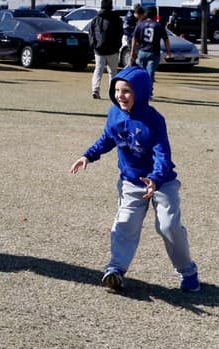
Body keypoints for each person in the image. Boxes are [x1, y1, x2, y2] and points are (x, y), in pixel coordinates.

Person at [70, 66, 200, 293]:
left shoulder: (154, 119)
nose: (120, 95)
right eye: (117, 90)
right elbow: (107, 138)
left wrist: (155, 179)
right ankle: (116, 270)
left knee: (168, 226)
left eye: (127, 91)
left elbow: (162, 154)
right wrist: (88, 155)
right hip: (131, 182)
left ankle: (188, 271)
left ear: (141, 92)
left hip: (161, 182)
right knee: (125, 224)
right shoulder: (114, 113)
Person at [87, 0, 124, 100]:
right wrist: (118, 45)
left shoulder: (95, 19)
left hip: (99, 49)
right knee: (112, 71)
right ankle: (113, 91)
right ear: (111, 6)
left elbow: (91, 33)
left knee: (98, 70)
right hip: (113, 49)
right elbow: (120, 33)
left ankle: (95, 89)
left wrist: (93, 45)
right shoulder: (116, 19)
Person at [129, 5, 170, 82]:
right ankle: (148, 88)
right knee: (150, 73)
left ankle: (141, 87)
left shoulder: (140, 24)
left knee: (141, 72)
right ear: (155, 15)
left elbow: (134, 38)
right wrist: (168, 52)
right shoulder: (158, 25)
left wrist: (133, 51)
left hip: (142, 51)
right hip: (154, 52)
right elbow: (166, 39)